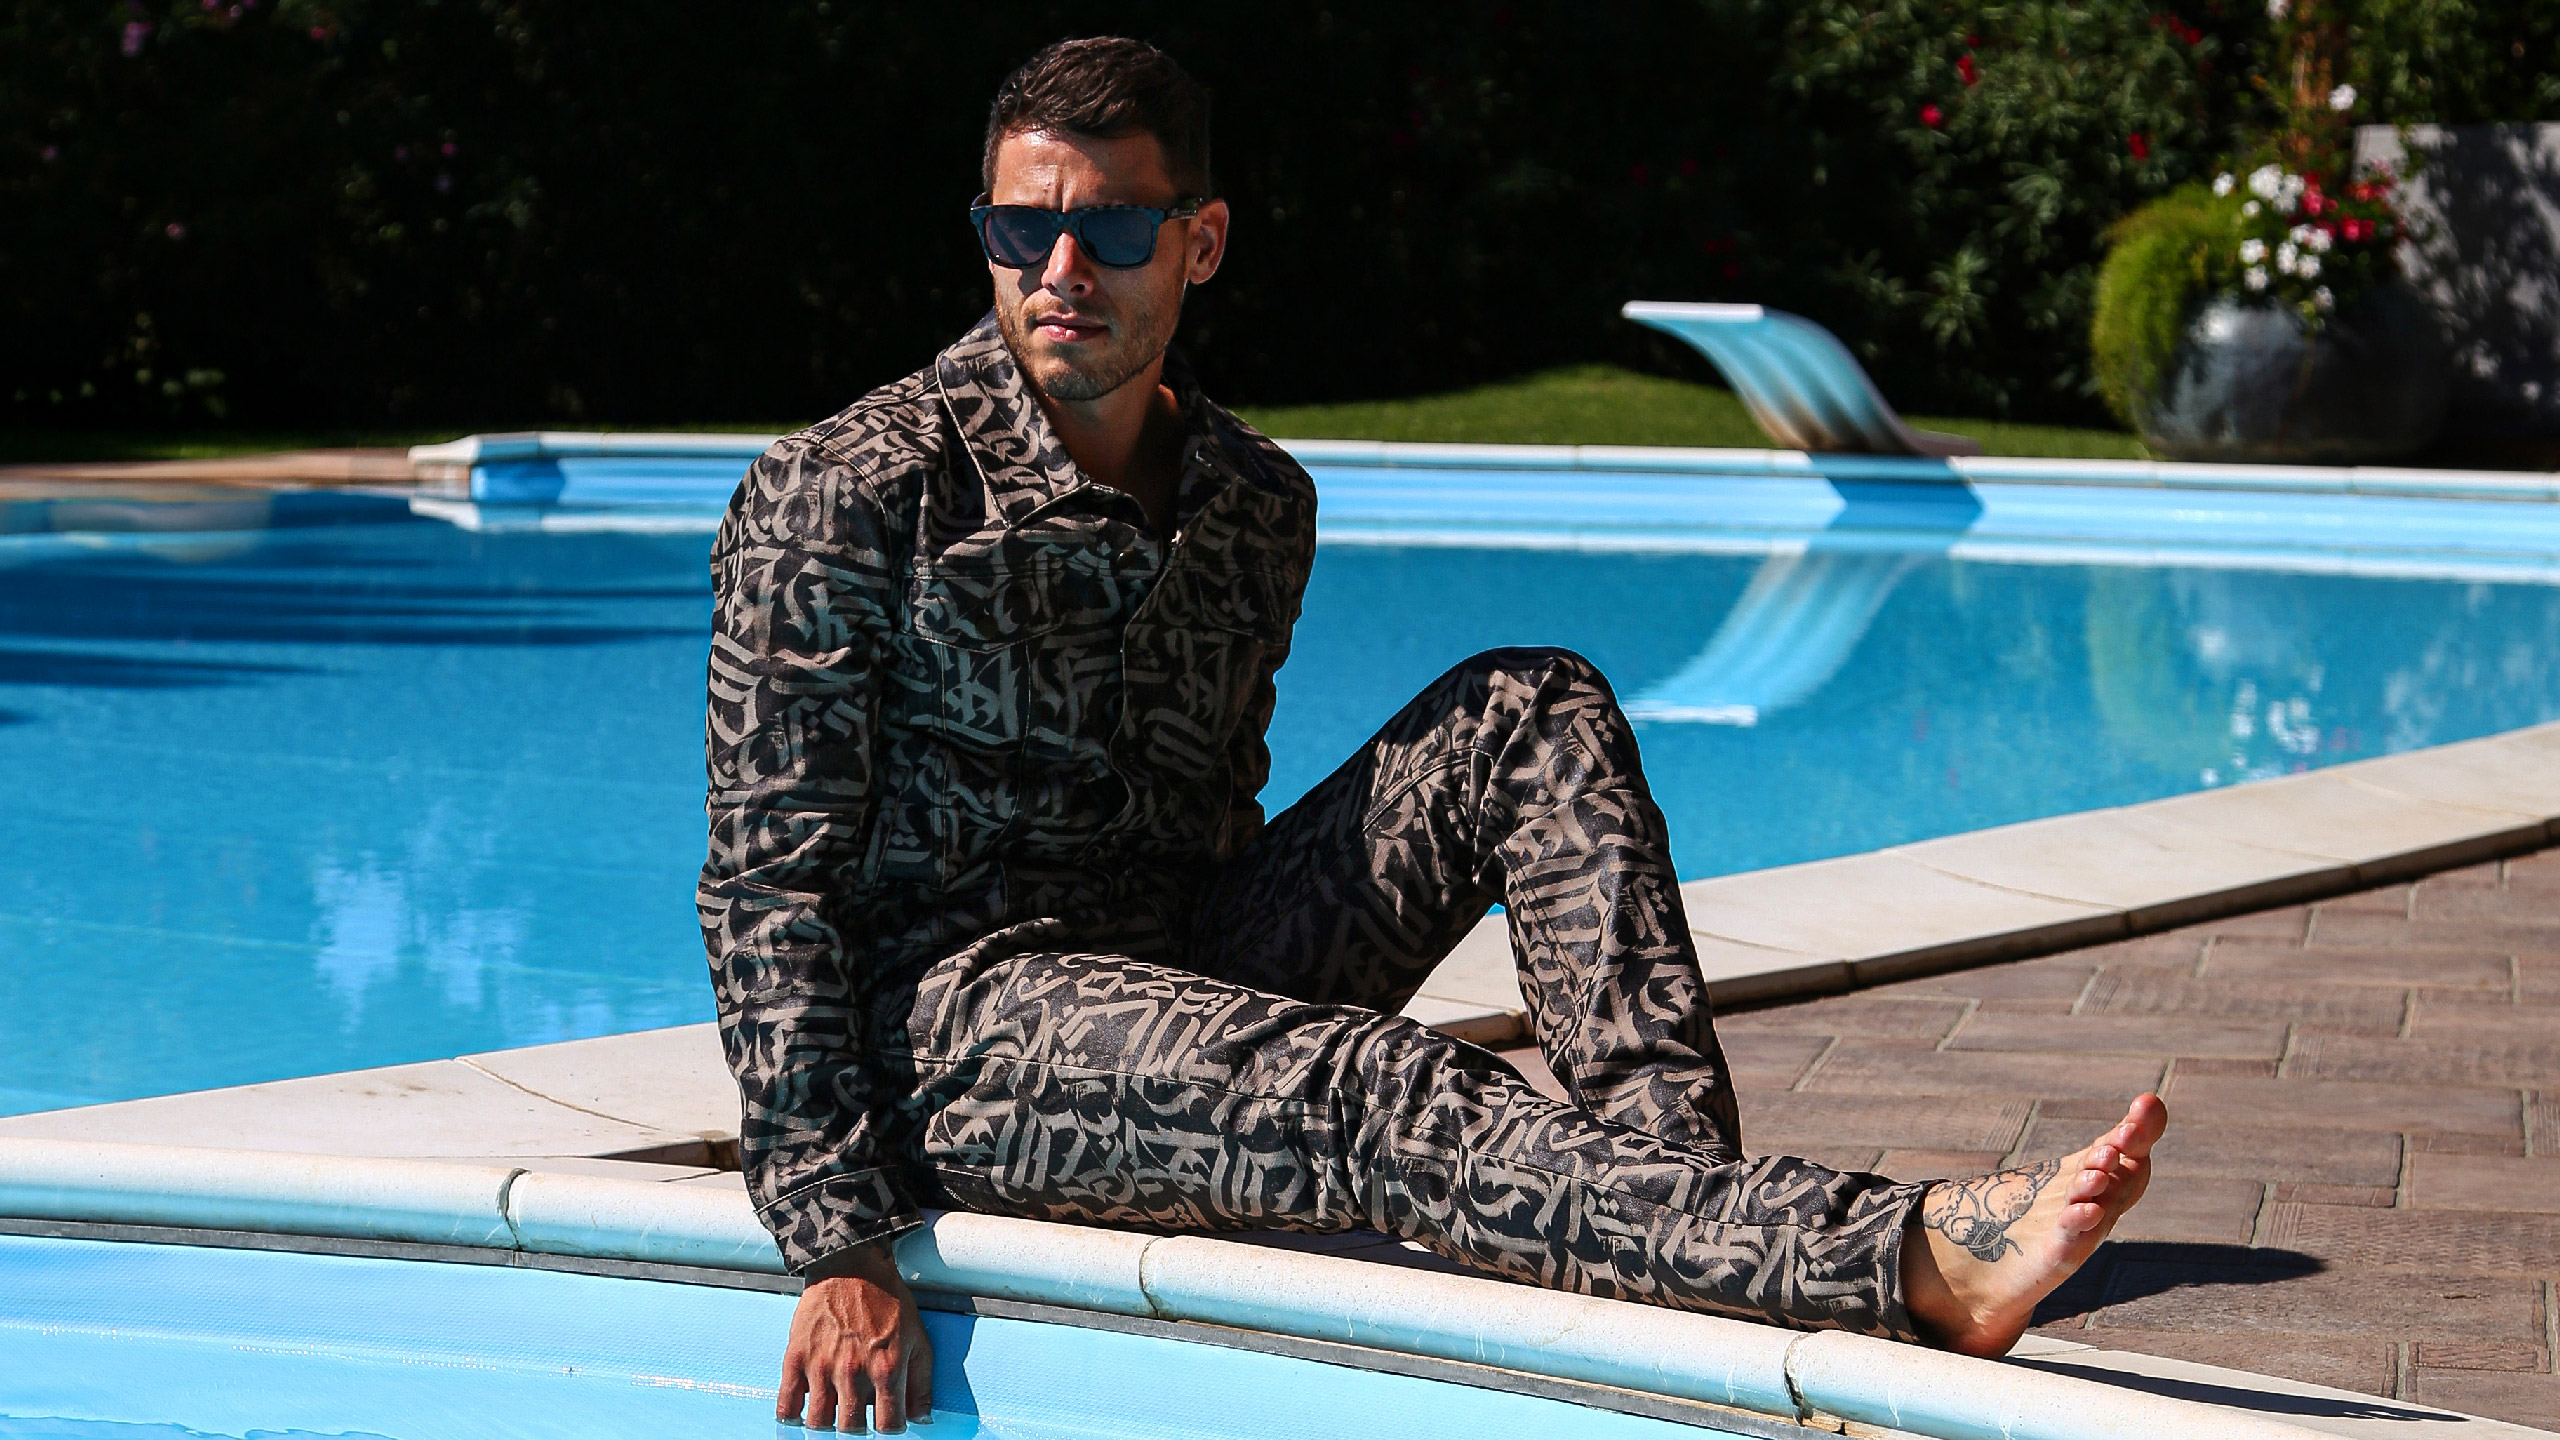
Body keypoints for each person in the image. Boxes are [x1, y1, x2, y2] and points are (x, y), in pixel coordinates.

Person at [699, 35, 2167, 1433]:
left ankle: (1681, 1222)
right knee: (1368, 1082)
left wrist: (1229, 1006)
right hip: (958, 1032)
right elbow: (767, 893)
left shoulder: (1253, 505)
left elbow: (1219, 814)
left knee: (1535, 705)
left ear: (1201, 243)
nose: (1060, 272)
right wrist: (839, 1238)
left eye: (1113, 230)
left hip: (1170, 957)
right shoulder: (849, 495)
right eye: (1021, 230)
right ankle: (1899, 1260)